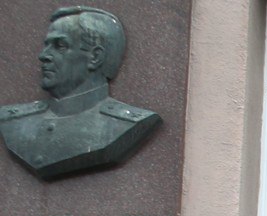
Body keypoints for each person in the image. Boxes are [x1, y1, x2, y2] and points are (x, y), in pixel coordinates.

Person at [0, 6, 161, 180]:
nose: (43, 55)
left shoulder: (127, 124)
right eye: (46, 45)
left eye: (60, 46)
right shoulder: (12, 120)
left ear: (95, 57)